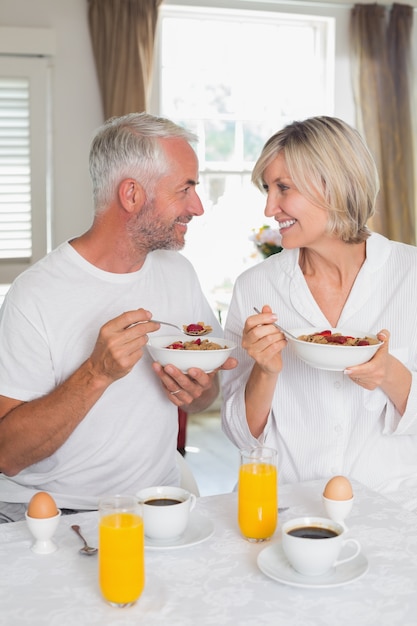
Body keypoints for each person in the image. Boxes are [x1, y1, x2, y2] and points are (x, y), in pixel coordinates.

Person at [0, 112, 236, 522]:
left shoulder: (178, 274)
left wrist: (197, 393)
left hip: (159, 504)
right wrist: (96, 373)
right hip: (50, 514)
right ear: (131, 195)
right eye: (185, 189)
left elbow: (207, 394)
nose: (197, 206)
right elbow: (7, 454)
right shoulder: (34, 296)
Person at [221, 116, 417, 511]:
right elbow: (242, 436)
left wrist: (390, 375)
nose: (269, 207)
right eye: (267, 189)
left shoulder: (409, 275)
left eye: (283, 188)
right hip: (285, 509)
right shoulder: (256, 287)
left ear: (333, 185)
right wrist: (265, 370)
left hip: (390, 512)